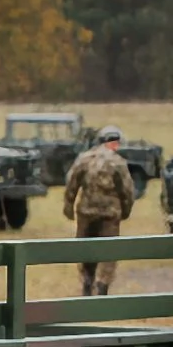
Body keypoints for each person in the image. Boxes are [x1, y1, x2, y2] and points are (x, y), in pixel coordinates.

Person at [63, 126, 139, 296]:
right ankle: (103, 285)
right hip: (110, 215)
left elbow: (72, 183)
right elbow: (127, 190)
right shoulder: (118, 162)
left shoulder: (84, 158)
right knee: (108, 251)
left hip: (85, 213)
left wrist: (68, 206)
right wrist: (126, 211)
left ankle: (87, 283)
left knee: (85, 248)